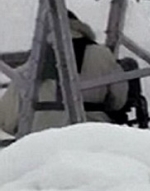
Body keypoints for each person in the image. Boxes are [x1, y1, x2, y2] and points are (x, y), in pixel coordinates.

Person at [0, 11, 128, 135]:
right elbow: (118, 100)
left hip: (42, 136)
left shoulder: (33, 64)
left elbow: (7, 118)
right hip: (92, 132)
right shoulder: (102, 54)